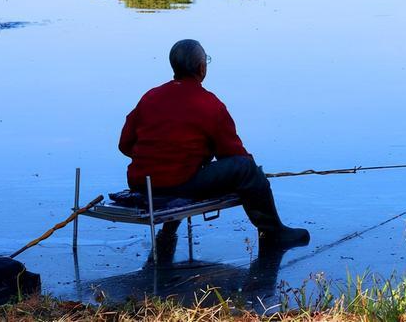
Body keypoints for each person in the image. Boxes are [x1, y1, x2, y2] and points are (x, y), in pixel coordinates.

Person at [119, 39, 309, 251]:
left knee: (188, 167)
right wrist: (256, 173)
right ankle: (274, 233)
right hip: (178, 183)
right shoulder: (209, 104)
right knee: (245, 168)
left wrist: (159, 158)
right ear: (201, 68)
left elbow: (125, 144)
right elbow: (231, 153)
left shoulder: (150, 97)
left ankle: (168, 232)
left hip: (140, 182)